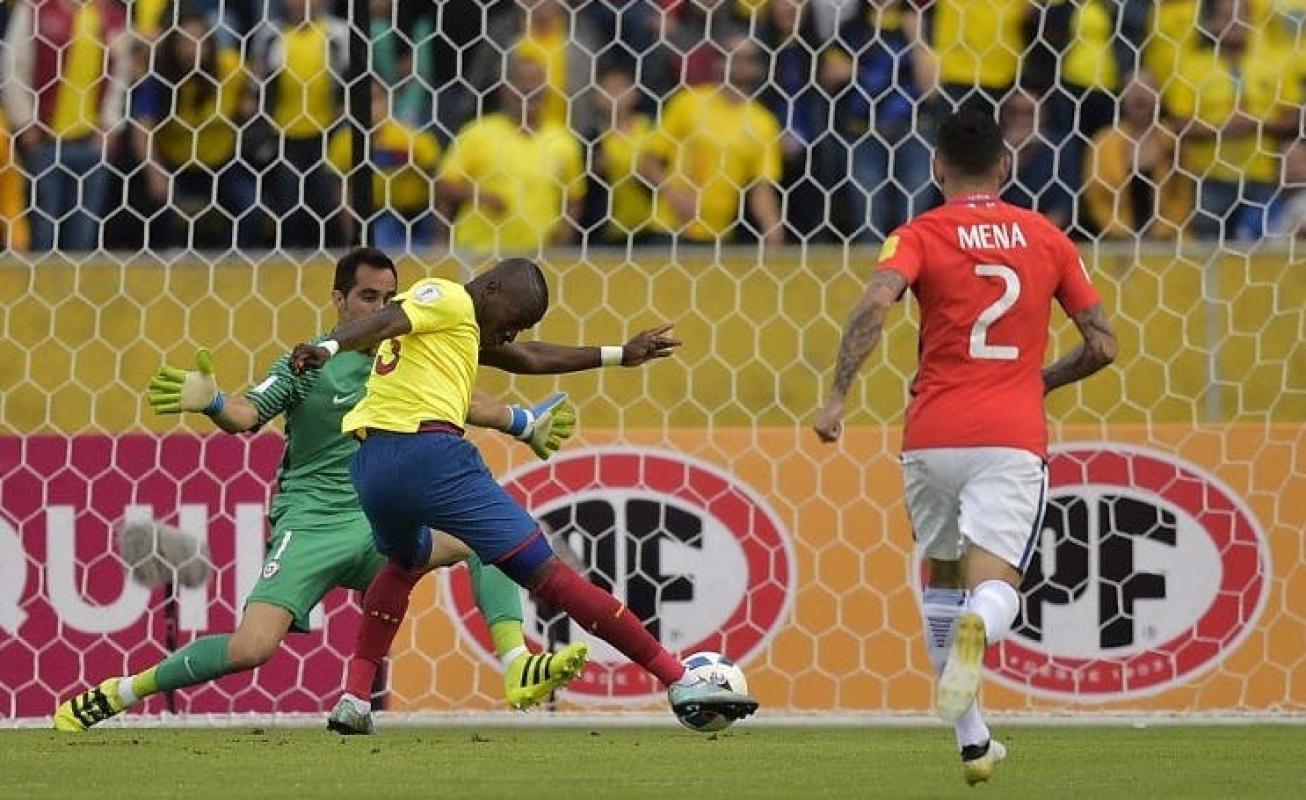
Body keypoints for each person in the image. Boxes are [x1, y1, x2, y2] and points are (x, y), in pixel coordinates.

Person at [50, 248, 671, 731]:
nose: (381, 305)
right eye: (368, 296)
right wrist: (211, 401)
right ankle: (122, 692)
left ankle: (512, 663)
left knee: (485, 542)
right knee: (250, 648)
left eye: (388, 295)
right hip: (312, 522)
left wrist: (533, 417)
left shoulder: (412, 346)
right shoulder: (305, 365)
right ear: (341, 300)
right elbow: (245, 414)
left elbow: (487, 389)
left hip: (378, 515)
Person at [286, 258, 757, 735]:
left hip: (371, 467)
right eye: (512, 321)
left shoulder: (455, 329)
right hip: (430, 456)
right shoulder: (447, 297)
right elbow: (390, 318)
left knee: (403, 565)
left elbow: (529, 357)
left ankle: (354, 699)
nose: (511, 334)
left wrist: (621, 353)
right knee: (551, 575)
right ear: (491, 289)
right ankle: (681, 680)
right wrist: (329, 346)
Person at [813, 110, 1117, 786]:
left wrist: (837, 397)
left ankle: (973, 743)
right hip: (1008, 437)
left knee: (944, 580)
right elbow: (1103, 345)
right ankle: (982, 626)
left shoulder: (917, 233)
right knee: (994, 586)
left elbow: (874, 304)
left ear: (936, 167)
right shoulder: (1046, 237)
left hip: (931, 436)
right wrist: (1040, 380)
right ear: (1005, 167)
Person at [2, 0, 130, 251]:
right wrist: (26, 122)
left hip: (91, 141)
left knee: (84, 234)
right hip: (45, 140)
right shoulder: (35, 8)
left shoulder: (111, 15)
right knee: (43, 231)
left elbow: (120, 75)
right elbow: (13, 66)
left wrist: (110, 124)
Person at [131, 6, 259, 250]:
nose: (192, 49)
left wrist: (249, 99)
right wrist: (155, 171)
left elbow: (255, 77)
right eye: (185, 42)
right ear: (173, 46)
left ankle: (227, 260)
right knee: (159, 208)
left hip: (220, 166)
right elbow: (141, 127)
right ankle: (168, 260)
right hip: (175, 167)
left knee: (252, 207)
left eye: (199, 40)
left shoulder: (229, 67)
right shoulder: (160, 78)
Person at [640, 34, 784, 247]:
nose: (741, 64)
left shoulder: (764, 122)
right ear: (718, 62)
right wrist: (673, 195)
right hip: (669, 229)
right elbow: (647, 160)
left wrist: (772, 228)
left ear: (760, 68)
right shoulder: (688, 102)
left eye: (750, 58)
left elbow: (762, 185)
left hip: (718, 236)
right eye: (732, 56)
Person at [436, 54, 584, 257]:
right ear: (504, 89)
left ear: (546, 91)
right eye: (520, 80)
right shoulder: (477, 132)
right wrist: (482, 197)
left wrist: (562, 240)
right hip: (479, 253)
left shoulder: (563, 140)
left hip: (538, 256)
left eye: (535, 80)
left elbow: (574, 197)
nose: (528, 88)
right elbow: (444, 185)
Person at [1082, 72, 1188, 240]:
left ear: (1159, 96)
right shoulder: (1104, 142)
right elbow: (1095, 195)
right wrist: (1119, 232)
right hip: (1117, 241)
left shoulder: (1173, 140)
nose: (1139, 94)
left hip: (1169, 242)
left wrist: (1161, 234)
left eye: (1147, 88)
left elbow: (1183, 196)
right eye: (1132, 89)